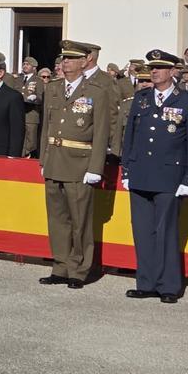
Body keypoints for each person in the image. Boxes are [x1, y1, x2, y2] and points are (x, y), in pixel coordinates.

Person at [120, 50, 188, 304]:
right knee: (142, 231)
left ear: (173, 71)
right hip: (141, 172)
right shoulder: (141, 98)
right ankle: (146, 282)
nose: (154, 71)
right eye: (152, 67)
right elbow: (129, 137)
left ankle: (168, 285)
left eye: (160, 67)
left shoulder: (187, 101)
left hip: (170, 175)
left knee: (166, 232)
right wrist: (127, 170)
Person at [39, 40, 113, 290]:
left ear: (85, 62)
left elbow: (102, 132)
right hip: (55, 160)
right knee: (57, 218)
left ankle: (79, 269)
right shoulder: (54, 88)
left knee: (80, 220)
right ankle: (60, 265)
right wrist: (43, 159)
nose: (65, 62)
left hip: (80, 164)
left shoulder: (96, 91)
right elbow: (46, 127)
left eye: (71, 58)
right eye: (63, 58)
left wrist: (95, 168)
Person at [19, 56, 45, 158]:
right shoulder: (18, 79)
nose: (25, 66)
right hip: (19, 114)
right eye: (24, 64)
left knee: (31, 141)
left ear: (34, 67)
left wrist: (33, 98)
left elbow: (40, 98)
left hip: (31, 115)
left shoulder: (38, 80)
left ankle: (29, 156)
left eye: (27, 64)